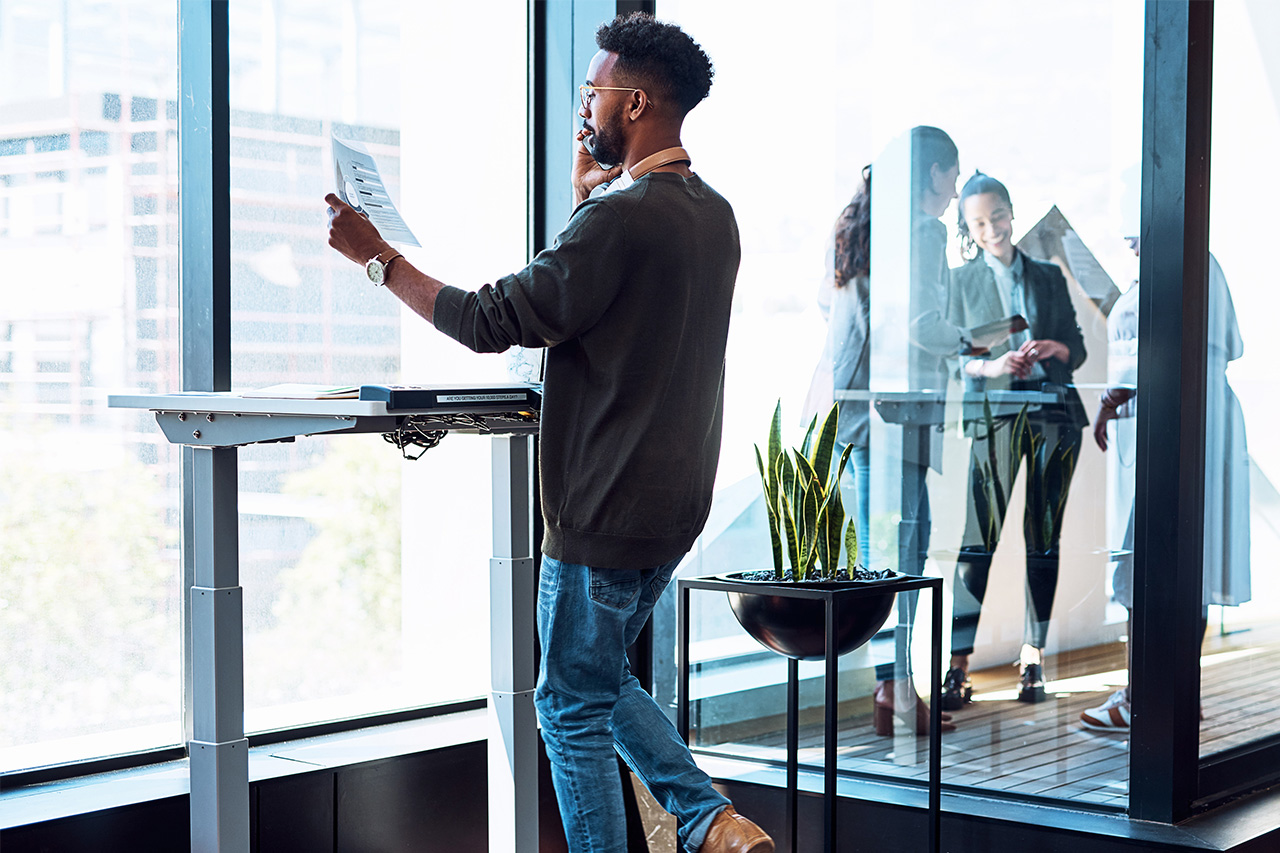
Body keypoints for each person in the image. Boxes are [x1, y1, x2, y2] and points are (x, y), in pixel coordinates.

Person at [325, 13, 773, 853]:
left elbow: (494, 318)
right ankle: (712, 820)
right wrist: (583, 205)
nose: (583, 109)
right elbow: (595, 307)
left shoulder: (621, 220)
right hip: (671, 509)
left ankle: (705, 816)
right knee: (592, 677)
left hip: (602, 510)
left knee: (567, 705)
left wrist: (377, 258)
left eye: (592, 91)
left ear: (634, 102)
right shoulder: (712, 214)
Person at [1080, 239, 1250, 732]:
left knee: (1146, 564)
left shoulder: (1177, 260)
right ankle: (1175, 694)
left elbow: (1166, 348)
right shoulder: (1193, 262)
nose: (1128, 239)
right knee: (1179, 562)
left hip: (1176, 421)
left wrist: (1116, 395)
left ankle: (1144, 697)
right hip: (1193, 417)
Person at [940, 171, 1087, 708]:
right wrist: (993, 364)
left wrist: (1054, 350)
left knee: (1043, 542)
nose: (991, 229)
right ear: (968, 228)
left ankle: (1034, 662)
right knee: (978, 544)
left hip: (1053, 417)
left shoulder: (1047, 274)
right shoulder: (959, 282)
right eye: (978, 222)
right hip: (995, 418)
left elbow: (1077, 348)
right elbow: (954, 358)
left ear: (1011, 212)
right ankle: (957, 667)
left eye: (997, 216)